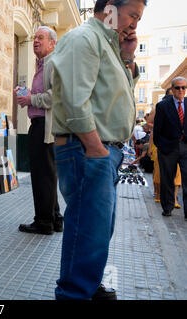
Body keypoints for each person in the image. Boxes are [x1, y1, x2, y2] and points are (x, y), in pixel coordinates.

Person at [50, 0, 147, 299]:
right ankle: (75, 293)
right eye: (133, 15)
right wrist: (96, 149)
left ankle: (86, 285)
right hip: (89, 149)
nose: (134, 24)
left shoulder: (110, 45)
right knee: (88, 229)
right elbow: (75, 99)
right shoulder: (85, 39)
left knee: (98, 229)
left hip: (101, 151)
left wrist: (128, 58)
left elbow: (112, 94)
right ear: (110, 9)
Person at [12, 26, 63, 235]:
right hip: (41, 126)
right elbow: (46, 93)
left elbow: (56, 96)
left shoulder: (52, 63)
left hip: (45, 127)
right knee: (48, 175)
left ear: (52, 43)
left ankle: (43, 222)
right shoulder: (42, 64)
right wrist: (29, 94)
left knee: (43, 176)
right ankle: (55, 219)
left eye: (40, 38)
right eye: (34, 38)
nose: (35, 41)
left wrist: (30, 98)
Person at [153, 76, 187, 220]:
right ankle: (167, 208)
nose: (181, 90)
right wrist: (161, 146)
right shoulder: (162, 106)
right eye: (178, 87)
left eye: (183, 87)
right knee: (167, 180)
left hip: (186, 147)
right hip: (168, 149)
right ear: (172, 89)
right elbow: (157, 129)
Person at [147, 88, 181, 206]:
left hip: (177, 145)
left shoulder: (182, 107)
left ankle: (174, 199)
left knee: (177, 173)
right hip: (162, 143)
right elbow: (151, 126)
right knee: (160, 171)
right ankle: (158, 194)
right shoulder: (159, 108)